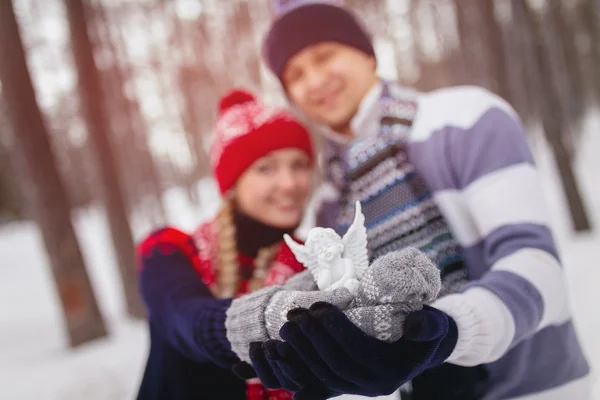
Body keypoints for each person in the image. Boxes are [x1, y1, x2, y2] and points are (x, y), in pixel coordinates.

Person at [243, 1, 591, 399]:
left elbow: (537, 265)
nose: (315, 79)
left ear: (366, 53)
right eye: (295, 74)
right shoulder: (329, 198)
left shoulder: (465, 118)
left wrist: (444, 333)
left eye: (325, 55)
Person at [135, 90, 320, 400]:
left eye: (299, 165)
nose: (290, 183)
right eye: (267, 168)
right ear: (233, 183)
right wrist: (257, 320)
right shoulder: (168, 250)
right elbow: (185, 318)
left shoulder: (313, 264)